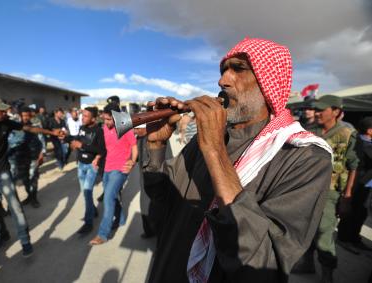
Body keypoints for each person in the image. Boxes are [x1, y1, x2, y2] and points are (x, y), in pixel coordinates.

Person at [143, 38, 333, 283]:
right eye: (223, 70)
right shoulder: (209, 137)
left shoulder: (304, 157)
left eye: (238, 69)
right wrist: (157, 145)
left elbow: (264, 263)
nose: (223, 81)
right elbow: (163, 198)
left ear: (268, 83)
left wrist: (215, 152)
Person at [0, 96, 62, 257]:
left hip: (3, 173)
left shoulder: (5, 123)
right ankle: (3, 236)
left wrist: (51, 132)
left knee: (15, 207)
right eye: (1, 110)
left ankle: (25, 241)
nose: (5, 112)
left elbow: (28, 129)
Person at [309, 95, 359, 282]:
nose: (317, 113)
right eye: (316, 109)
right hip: (309, 188)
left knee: (324, 232)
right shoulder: (312, 130)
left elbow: (354, 166)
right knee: (306, 229)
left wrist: (347, 197)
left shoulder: (347, 134)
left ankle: (327, 274)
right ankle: (307, 264)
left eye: (322, 110)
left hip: (330, 192)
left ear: (336, 111)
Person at [89, 103, 138, 245]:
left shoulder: (125, 128)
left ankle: (103, 234)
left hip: (121, 169)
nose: (106, 122)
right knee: (112, 196)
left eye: (109, 119)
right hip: (107, 168)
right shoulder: (104, 128)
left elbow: (134, 147)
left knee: (108, 198)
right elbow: (105, 148)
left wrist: (132, 163)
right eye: (104, 119)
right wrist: (97, 158)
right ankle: (121, 219)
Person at [69, 107, 106, 235]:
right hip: (81, 165)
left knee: (86, 193)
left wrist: (82, 146)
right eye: (82, 115)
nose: (82, 118)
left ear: (94, 119)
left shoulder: (99, 131)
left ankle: (88, 223)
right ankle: (93, 210)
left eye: (85, 116)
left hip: (91, 166)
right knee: (85, 193)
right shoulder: (82, 128)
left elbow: (102, 150)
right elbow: (79, 141)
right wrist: (73, 143)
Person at [337, 116, 372, 251]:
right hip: (358, 184)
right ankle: (344, 238)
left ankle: (354, 238)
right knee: (352, 212)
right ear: (369, 130)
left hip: (366, 185)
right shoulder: (362, 143)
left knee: (361, 213)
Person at [8, 106, 44, 208]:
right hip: (20, 156)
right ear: (20, 115)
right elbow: (9, 140)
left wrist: (42, 153)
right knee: (25, 179)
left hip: (33, 155)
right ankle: (29, 196)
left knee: (33, 177)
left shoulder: (36, 123)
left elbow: (42, 139)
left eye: (27, 115)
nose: (26, 118)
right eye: (24, 115)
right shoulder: (14, 124)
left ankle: (34, 199)